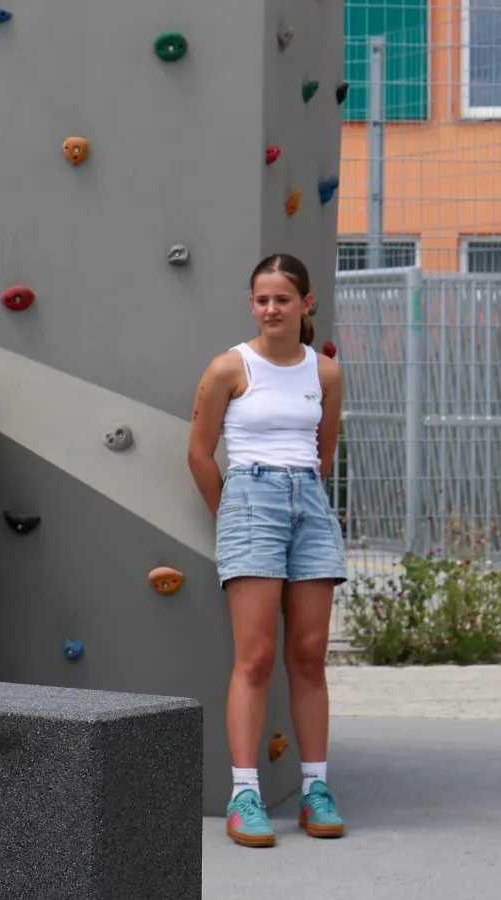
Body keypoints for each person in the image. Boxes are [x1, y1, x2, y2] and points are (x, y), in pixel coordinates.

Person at [187, 253, 347, 848]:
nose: (271, 309)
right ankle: (245, 794)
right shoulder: (231, 366)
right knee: (254, 657)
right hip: (251, 498)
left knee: (308, 656)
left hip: (309, 501)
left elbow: (322, 452)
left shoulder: (324, 372)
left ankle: (315, 790)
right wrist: (233, 512)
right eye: (262, 299)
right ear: (252, 304)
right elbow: (199, 454)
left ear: (306, 304)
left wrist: (300, 494)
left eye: (283, 299)